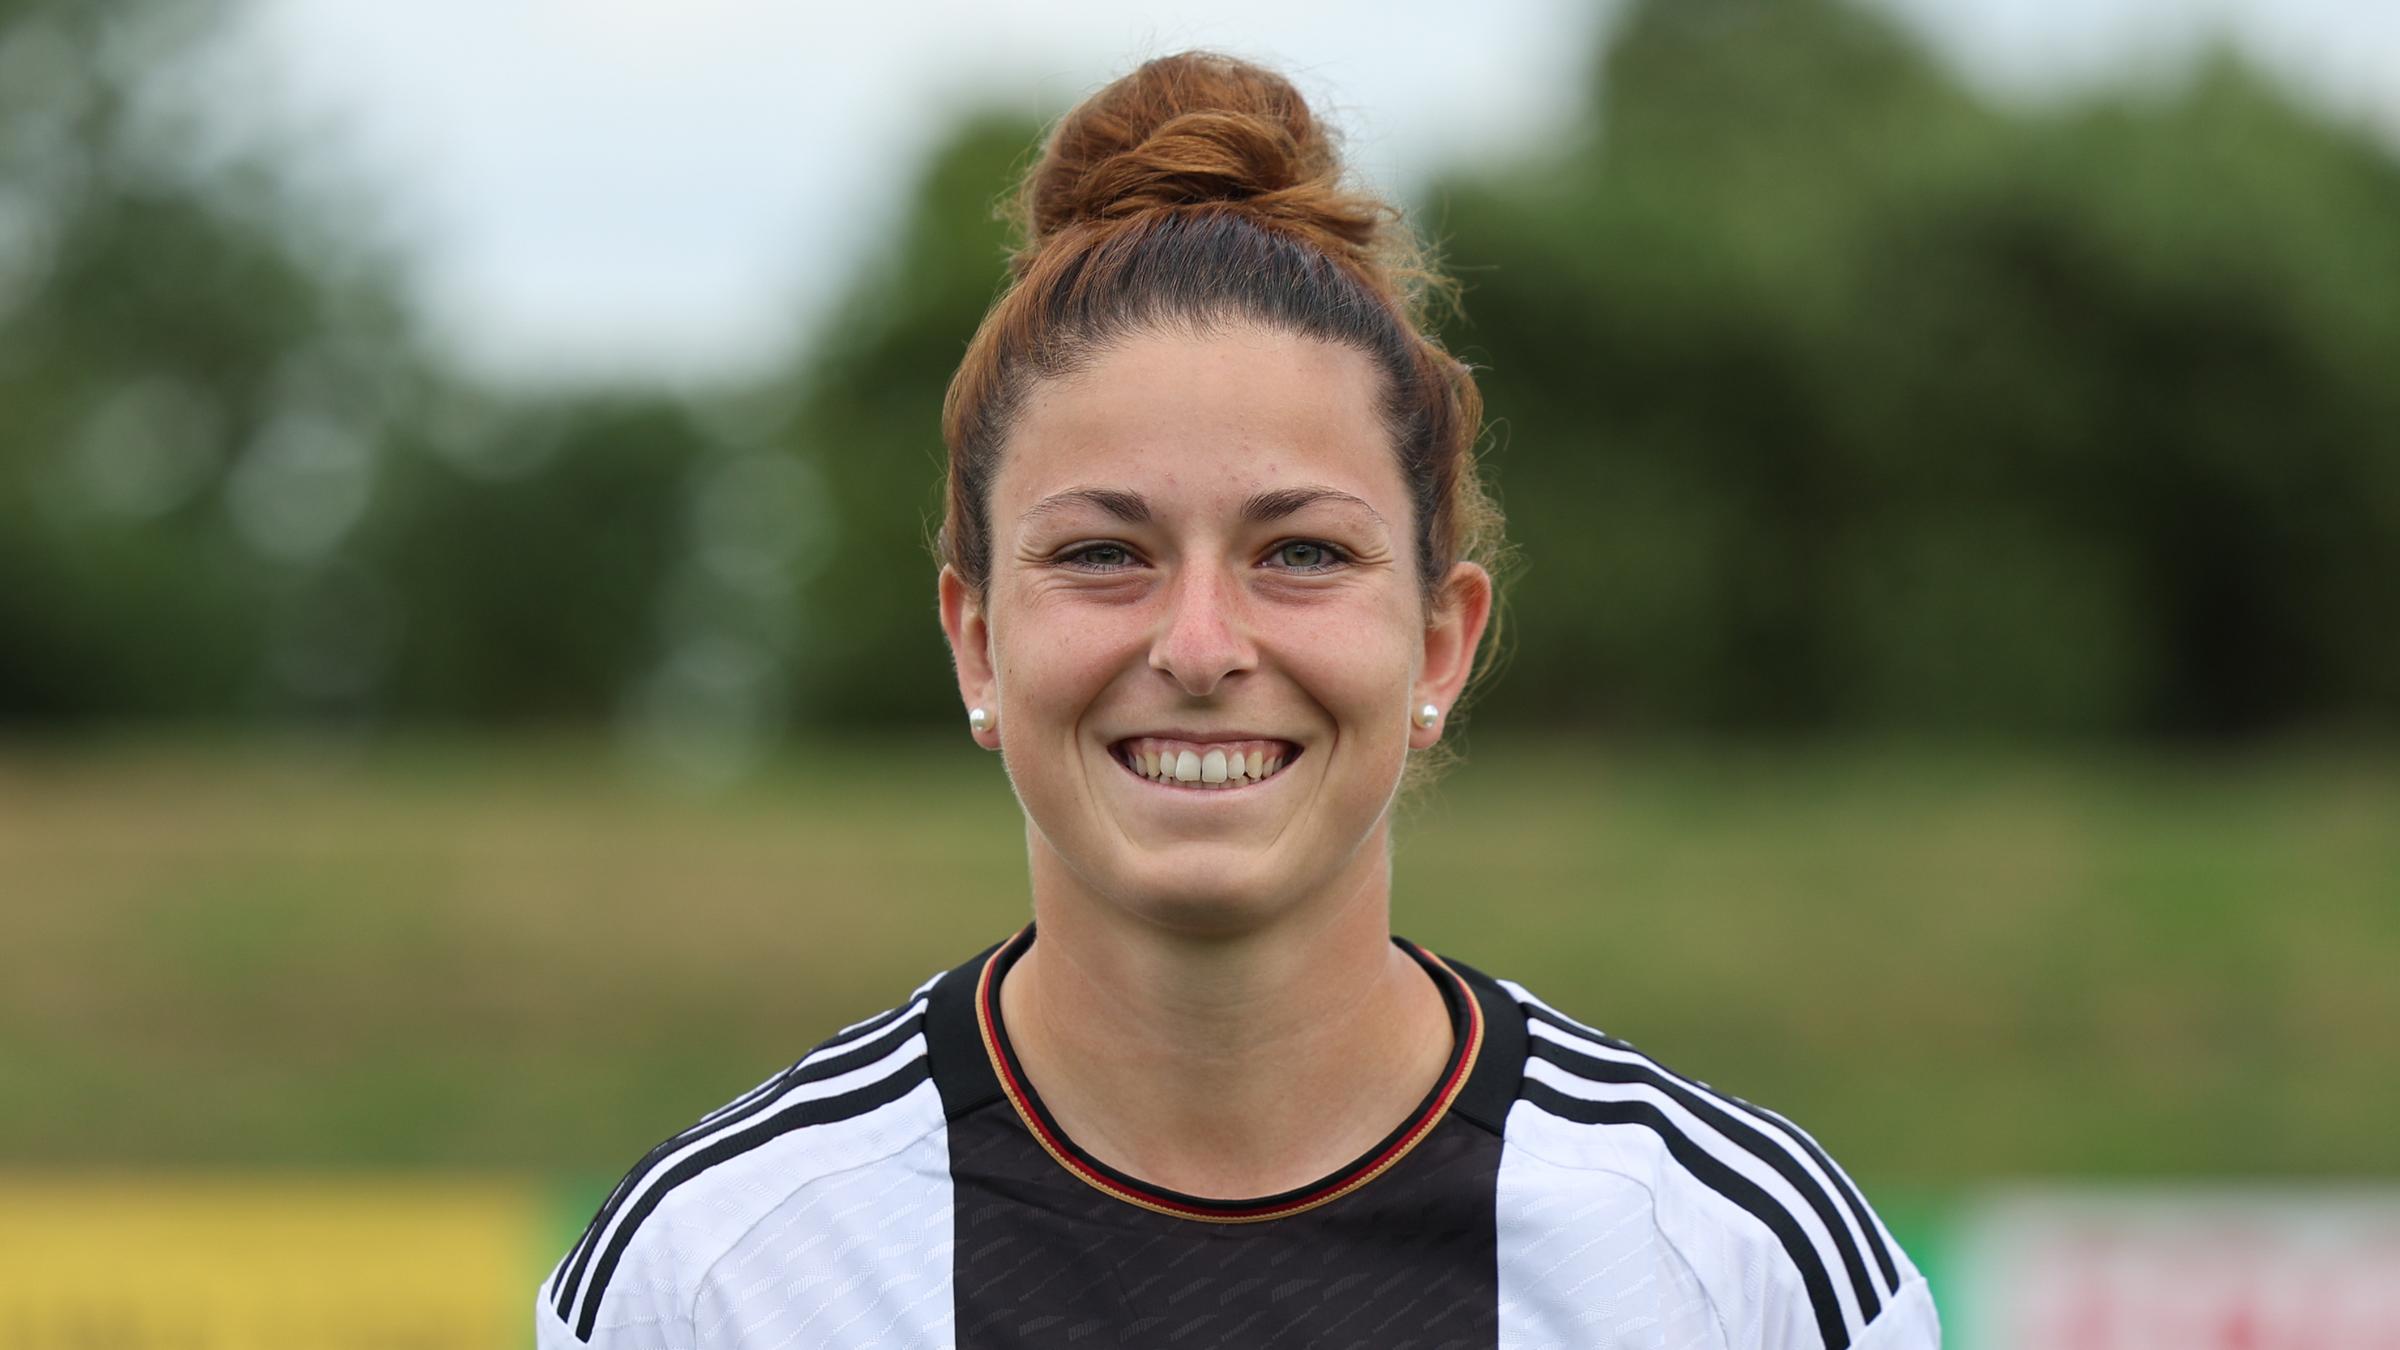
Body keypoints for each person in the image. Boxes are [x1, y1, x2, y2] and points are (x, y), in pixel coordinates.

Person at [537, 49, 1941, 1350]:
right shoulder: (714, 1276)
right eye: (1103, 553)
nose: (1200, 644)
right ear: (974, 639)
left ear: (1442, 644)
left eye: (1302, 553)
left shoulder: (1737, 1270)